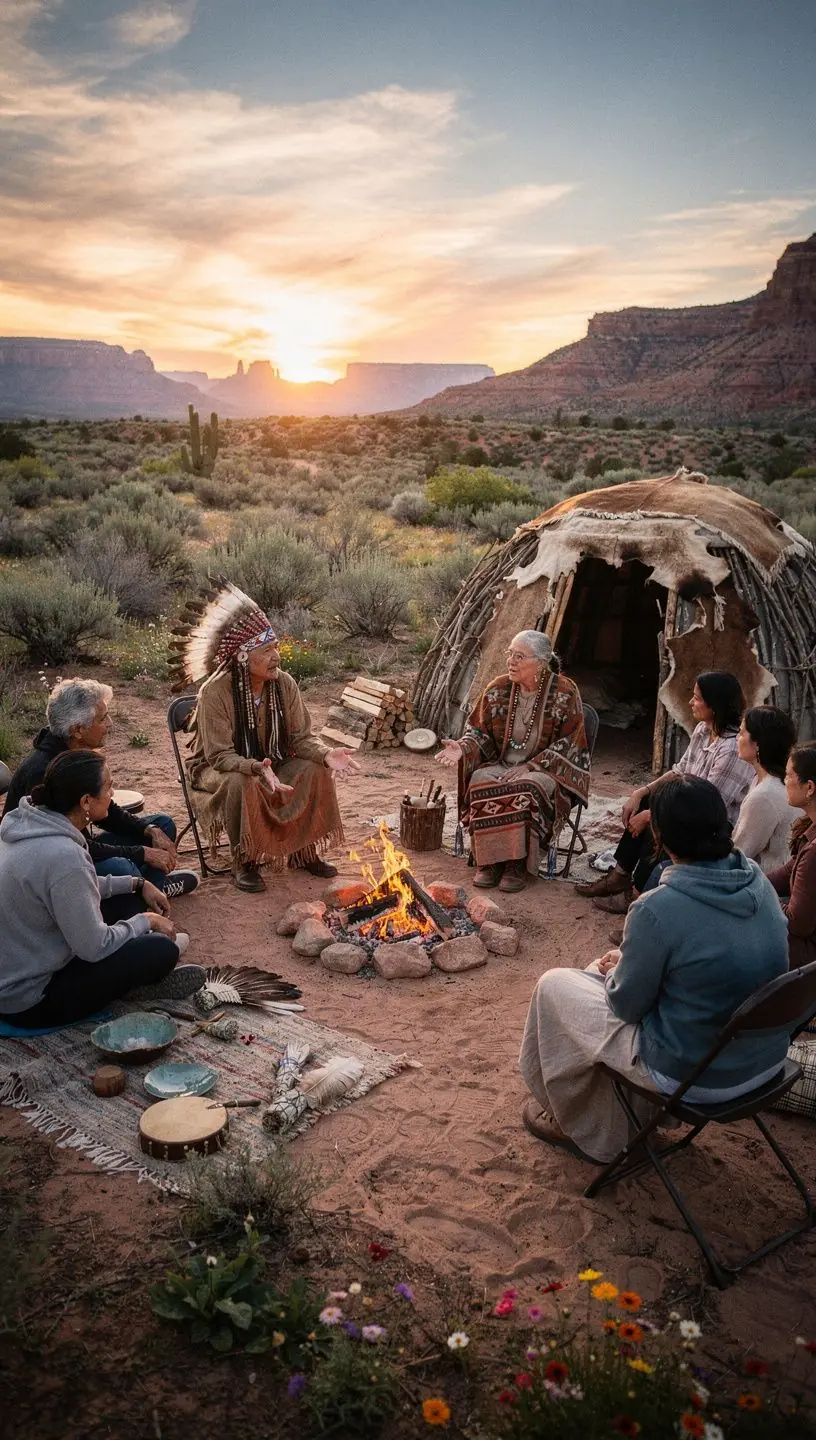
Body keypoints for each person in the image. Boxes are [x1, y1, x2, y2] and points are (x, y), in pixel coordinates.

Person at [520, 777, 790, 1164]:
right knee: (598, 970)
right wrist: (628, 964)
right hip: (762, 1063)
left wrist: (618, 972)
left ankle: (582, 1124)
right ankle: (612, 1115)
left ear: (659, 836)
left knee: (554, 985)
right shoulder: (756, 881)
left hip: (695, 1077)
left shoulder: (658, 908)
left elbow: (627, 1008)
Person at [176, 582, 360, 893]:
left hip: (271, 761)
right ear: (244, 658)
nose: (277, 656)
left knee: (315, 769)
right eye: (267, 650)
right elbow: (219, 757)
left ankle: (304, 851)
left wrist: (326, 754)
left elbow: (302, 738)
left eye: (276, 647)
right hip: (220, 770)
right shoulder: (215, 692)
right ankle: (244, 860)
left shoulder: (284, 684)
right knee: (240, 782)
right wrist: (255, 768)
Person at [0, 751, 205, 1029]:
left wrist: (139, 883)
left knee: (129, 899)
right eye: (108, 787)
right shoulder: (63, 855)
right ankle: (137, 984)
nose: (112, 793)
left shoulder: (28, 824)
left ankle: (133, 968)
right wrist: (146, 921)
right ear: (85, 801)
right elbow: (94, 947)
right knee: (160, 949)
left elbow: (74, 889)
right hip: (30, 1000)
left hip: (25, 963)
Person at [2, 677, 197, 898]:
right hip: (54, 869)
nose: (110, 723)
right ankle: (141, 895)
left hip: (79, 848)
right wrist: (142, 854)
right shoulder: (44, 772)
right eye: (103, 718)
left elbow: (105, 813)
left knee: (161, 825)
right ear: (77, 729)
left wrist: (148, 830)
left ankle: (152, 891)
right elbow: (73, 849)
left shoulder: (72, 752)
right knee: (122, 868)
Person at [576, 670, 753, 914]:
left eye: (697, 698)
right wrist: (641, 792)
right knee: (652, 800)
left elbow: (710, 807)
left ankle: (637, 895)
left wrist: (651, 815)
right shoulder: (704, 730)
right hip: (690, 807)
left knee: (661, 819)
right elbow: (680, 771)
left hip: (714, 825)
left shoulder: (731, 749)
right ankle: (620, 874)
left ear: (715, 705)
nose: (691, 702)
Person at [435, 630, 589, 893]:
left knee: (527, 788)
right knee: (480, 779)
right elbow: (478, 732)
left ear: (540, 662)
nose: (511, 661)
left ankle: (516, 863)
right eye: (509, 654)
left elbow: (570, 743)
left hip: (545, 769)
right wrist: (463, 748)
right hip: (502, 763)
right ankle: (489, 861)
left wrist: (529, 766)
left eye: (519, 656)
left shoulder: (565, 691)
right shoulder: (497, 689)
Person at [767, 742, 816, 970]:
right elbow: (788, 870)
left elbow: (798, 923)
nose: (784, 782)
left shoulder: (814, 851)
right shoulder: (811, 829)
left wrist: (759, 895)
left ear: (810, 787)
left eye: (788, 776)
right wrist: (751, 879)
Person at [732, 706, 798, 873]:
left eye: (741, 733)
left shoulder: (766, 795)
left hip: (769, 885)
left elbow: (739, 854)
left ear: (757, 744)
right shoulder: (769, 781)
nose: (737, 739)